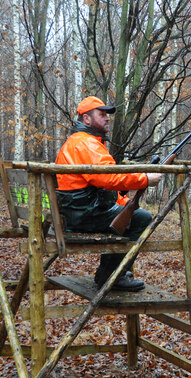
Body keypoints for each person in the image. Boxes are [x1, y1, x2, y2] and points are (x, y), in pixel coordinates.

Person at [55, 96, 162, 291]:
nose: (107, 119)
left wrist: (125, 202)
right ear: (86, 119)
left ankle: (109, 273)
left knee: (127, 214)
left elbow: (103, 186)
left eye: (107, 115)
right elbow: (110, 178)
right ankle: (114, 275)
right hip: (84, 214)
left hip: (77, 210)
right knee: (141, 218)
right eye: (102, 114)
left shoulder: (79, 141)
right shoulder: (86, 144)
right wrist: (145, 179)